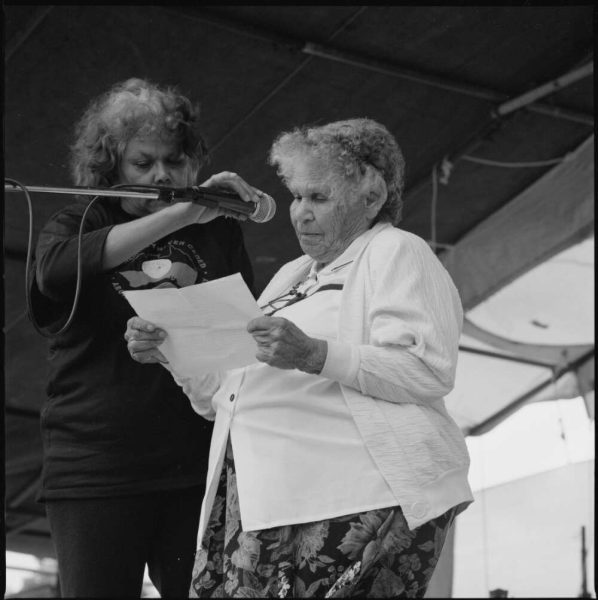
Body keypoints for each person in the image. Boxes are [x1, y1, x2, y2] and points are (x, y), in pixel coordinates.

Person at [125, 118, 474, 598]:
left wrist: (313, 353)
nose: (300, 214)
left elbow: (426, 369)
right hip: (265, 504)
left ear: (370, 198)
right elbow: (220, 399)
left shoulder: (396, 250)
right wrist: (174, 351)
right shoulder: (292, 274)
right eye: (296, 196)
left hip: (357, 500)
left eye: (319, 198)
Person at [30, 77, 258, 598]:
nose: (161, 174)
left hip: (196, 464)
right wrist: (181, 211)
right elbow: (55, 273)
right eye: (143, 163)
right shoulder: (78, 219)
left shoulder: (217, 229)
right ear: (111, 166)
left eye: (174, 161)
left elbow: (242, 330)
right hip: (95, 467)